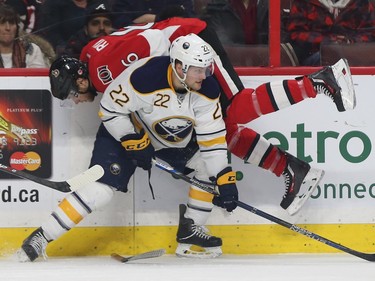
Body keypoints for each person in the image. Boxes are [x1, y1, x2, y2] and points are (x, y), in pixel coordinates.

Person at [49, 17, 355, 216]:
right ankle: (292, 168)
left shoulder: (102, 73)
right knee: (223, 127)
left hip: (192, 45)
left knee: (235, 108)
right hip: (181, 57)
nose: (76, 101)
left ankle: (317, 82)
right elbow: (142, 33)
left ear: (79, 78)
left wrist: (179, 58)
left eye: (72, 95)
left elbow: (150, 44)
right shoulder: (91, 53)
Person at [17, 34, 239, 261]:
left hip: (169, 139)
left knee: (206, 166)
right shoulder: (144, 77)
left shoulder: (208, 89)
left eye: (205, 69)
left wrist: (223, 178)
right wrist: (130, 139)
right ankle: (41, 237)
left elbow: (212, 139)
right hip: (126, 134)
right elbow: (109, 110)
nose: (205, 75)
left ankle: (191, 232)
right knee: (100, 191)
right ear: (180, 67)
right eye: (198, 70)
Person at [287, 0, 375, 66]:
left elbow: (371, 32)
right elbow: (295, 34)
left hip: (356, 55)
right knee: (330, 58)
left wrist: (348, 41)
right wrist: (330, 41)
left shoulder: (362, 3)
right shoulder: (304, 3)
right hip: (316, 56)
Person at [0, 3, 48, 68]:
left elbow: (38, 77)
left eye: (12, 23)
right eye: (2, 23)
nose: (8, 28)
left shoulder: (31, 50)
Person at [202, 0, 269, 45]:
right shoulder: (217, 6)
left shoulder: (269, 5)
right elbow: (220, 41)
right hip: (232, 60)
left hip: (264, 60)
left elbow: (276, 38)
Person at [111, 0, 195, 28]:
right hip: (135, 45)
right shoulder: (124, 2)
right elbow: (118, 24)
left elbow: (191, 23)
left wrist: (156, 19)